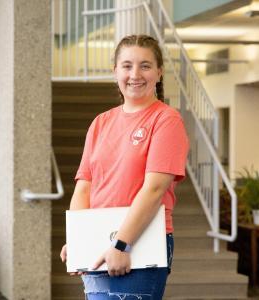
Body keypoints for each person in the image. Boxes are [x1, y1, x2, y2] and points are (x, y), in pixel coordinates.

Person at [60, 34, 189, 299]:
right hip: (99, 240)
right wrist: (78, 240)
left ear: (159, 72)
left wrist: (122, 244)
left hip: (140, 241)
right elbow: (84, 187)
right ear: (115, 71)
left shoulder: (166, 120)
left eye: (145, 65)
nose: (135, 74)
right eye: (127, 65)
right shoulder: (100, 122)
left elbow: (154, 189)